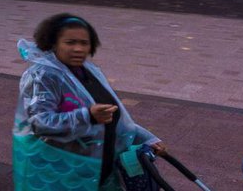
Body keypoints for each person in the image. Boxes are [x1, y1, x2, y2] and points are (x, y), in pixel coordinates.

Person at [14, 13, 168, 190]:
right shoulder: (43, 76)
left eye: (84, 43)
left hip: (98, 171)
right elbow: (38, 124)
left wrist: (147, 139)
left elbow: (114, 116)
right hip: (63, 173)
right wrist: (87, 116)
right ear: (53, 43)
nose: (78, 49)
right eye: (70, 42)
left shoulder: (88, 71)